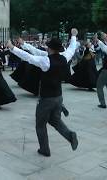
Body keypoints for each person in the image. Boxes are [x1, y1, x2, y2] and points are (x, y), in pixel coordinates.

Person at [6, 28, 79, 157]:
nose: (46, 48)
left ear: (51, 49)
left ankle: (44, 149)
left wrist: (12, 48)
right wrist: (73, 36)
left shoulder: (46, 61)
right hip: (58, 97)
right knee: (55, 121)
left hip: (46, 99)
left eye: (48, 47)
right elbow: (72, 48)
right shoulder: (64, 57)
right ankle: (70, 135)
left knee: (40, 124)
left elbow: (29, 57)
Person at [94, 32, 107, 108]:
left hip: (106, 70)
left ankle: (103, 103)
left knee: (99, 86)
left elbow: (104, 48)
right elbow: (97, 48)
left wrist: (97, 40)